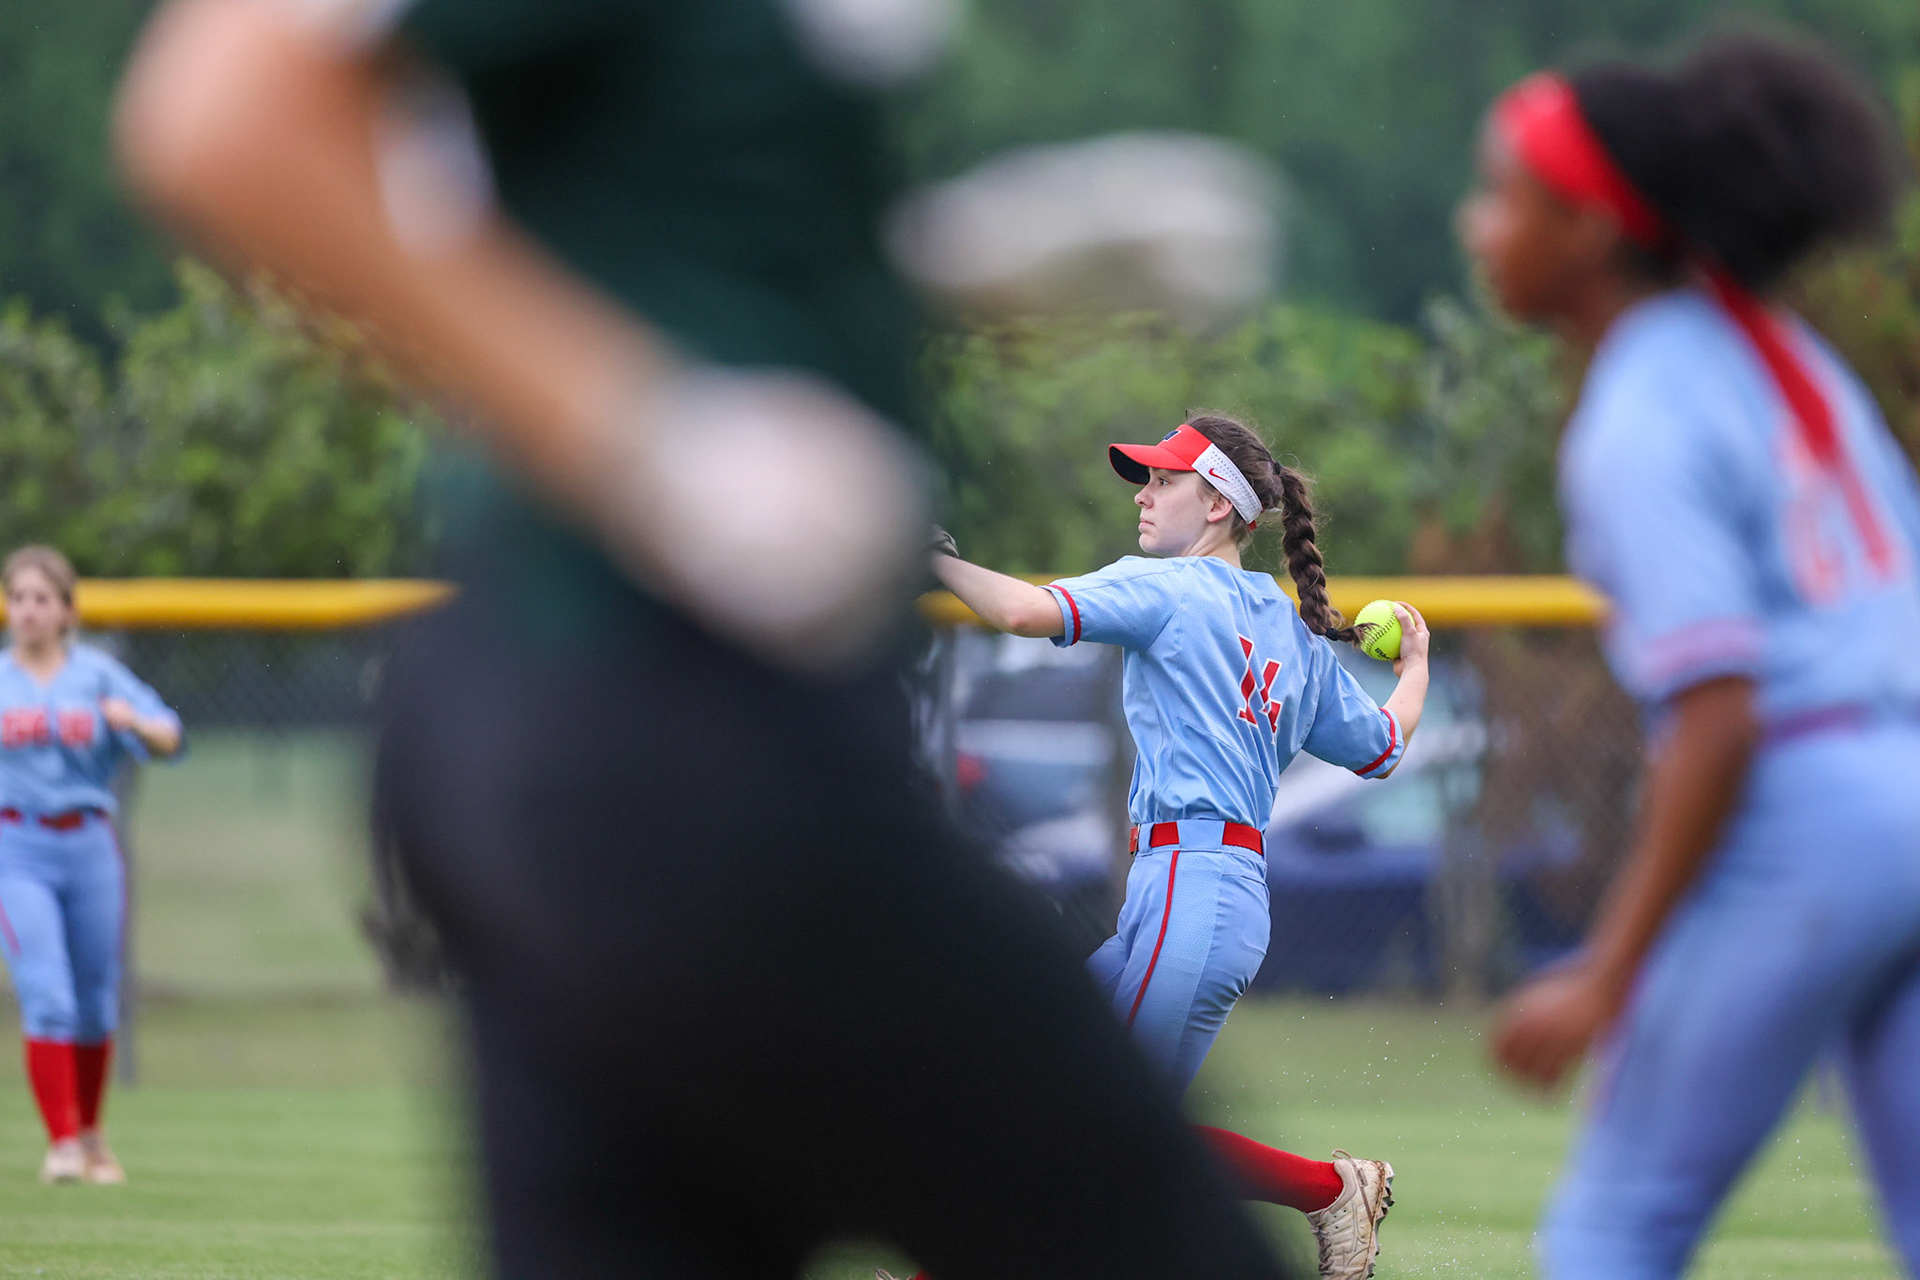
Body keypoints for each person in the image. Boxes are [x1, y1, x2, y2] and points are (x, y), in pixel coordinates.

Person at [114, 3, 1305, 1279]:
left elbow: (620, 206)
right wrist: (642, 433)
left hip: (579, 728)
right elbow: (221, 116)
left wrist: (907, 270)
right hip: (662, 715)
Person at [1459, 28, 1920, 1276]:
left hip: (1810, 814)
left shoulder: (1644, 406)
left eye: (1508, 193)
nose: (1478, 224)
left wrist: (1611, 969)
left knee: (1621, 1219)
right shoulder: (1784, 360)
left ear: (1595, 227)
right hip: (1910, 785)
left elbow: (1720, 712)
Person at [932, 414, 1431, 1280]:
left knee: (1114, 1126)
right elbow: (1384, 745)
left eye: (1163, 480)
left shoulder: (1165, 589)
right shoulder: (1294, 632)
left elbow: (1017, 609)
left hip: (1190, 889)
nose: (1144, 492)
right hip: (1204, 898)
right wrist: (1417, 663)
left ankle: (1328, 1190)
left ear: (1215, 506)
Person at [0, 545, 184, 1184]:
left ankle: (92, 1133)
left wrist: (133, 721)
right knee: (46, 993)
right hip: (17, 845)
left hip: (89, 842)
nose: (26, 610)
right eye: (17, 597)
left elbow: (170, 737)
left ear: (67, 610)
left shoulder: (98, 676)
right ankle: (63, 1145)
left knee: (94, 1001)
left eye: (40, 598)